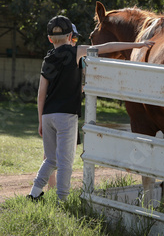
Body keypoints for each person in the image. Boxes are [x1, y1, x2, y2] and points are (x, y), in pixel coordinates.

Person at [27, 15, 154, 202]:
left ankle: (34, 192)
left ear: (49, 39)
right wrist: (137, 45)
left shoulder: (47, 60)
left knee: (51, 159)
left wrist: (40, 120)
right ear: (71, 36)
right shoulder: (76, 52)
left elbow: (41, 94)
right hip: (66, 116)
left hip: (47, 116)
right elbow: (106, 48)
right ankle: (62, 199)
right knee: (65, 162)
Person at [45, 23, 80, 190]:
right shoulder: (56, 58)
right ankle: (55, 189)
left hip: (60, 110)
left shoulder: (73, 57)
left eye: (76, 39)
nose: (73, 41)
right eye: (72, 38)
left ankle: (56, 187)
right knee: (56, 153)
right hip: (60, 110)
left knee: (58, 152)